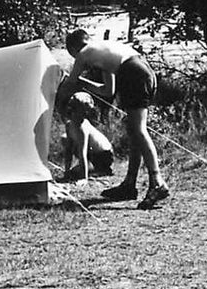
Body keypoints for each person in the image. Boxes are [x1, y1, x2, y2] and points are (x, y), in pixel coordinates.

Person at [61, 28, 169, 209]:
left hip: (133, 73)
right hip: (143, 71)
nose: (75, 59)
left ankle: (157, 181)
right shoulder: (104, 52)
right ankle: (129, 184)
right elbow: (107, 91)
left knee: (139, 130)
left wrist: (59, 89)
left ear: (73, 48)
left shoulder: (84, 53)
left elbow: (70, 83)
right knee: (134, 131)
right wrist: (82, 83)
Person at [61, 91, 114, 182]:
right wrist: (66, 171)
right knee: (65, 139)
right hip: (92, 154)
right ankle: (90, 168)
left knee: (76, 173)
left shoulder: (82, 127)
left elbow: (83, 152)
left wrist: (83, 178)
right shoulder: (69, 125)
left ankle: (100, 169)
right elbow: (68, 150)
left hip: (103, 155)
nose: (75, 114)